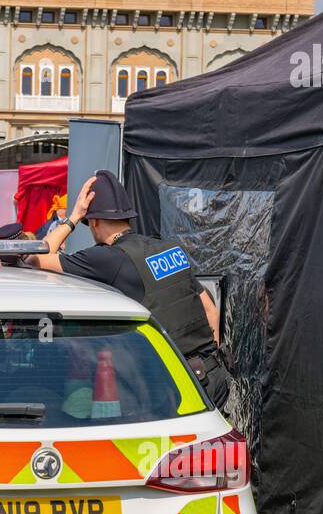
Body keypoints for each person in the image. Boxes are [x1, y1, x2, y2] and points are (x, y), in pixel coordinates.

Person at [29, 170, 231, 408]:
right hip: (213, 377)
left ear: (93, 221)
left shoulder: (109, 259)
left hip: (175, 390)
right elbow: (210, 309)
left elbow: (35, 259)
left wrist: (72, 217)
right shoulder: (169, 248)